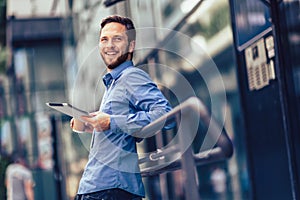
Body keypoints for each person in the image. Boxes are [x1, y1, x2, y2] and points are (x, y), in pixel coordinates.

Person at [70, 15, 172, 200]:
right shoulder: (114, 84)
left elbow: (166, 115)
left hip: (110, 190)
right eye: (104, 39)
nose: (109, 45)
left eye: (117, 38)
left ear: (131, 46)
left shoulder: (131, 77)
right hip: (97, 188)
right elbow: (118, 128)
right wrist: (87, 124)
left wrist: (111, 122)